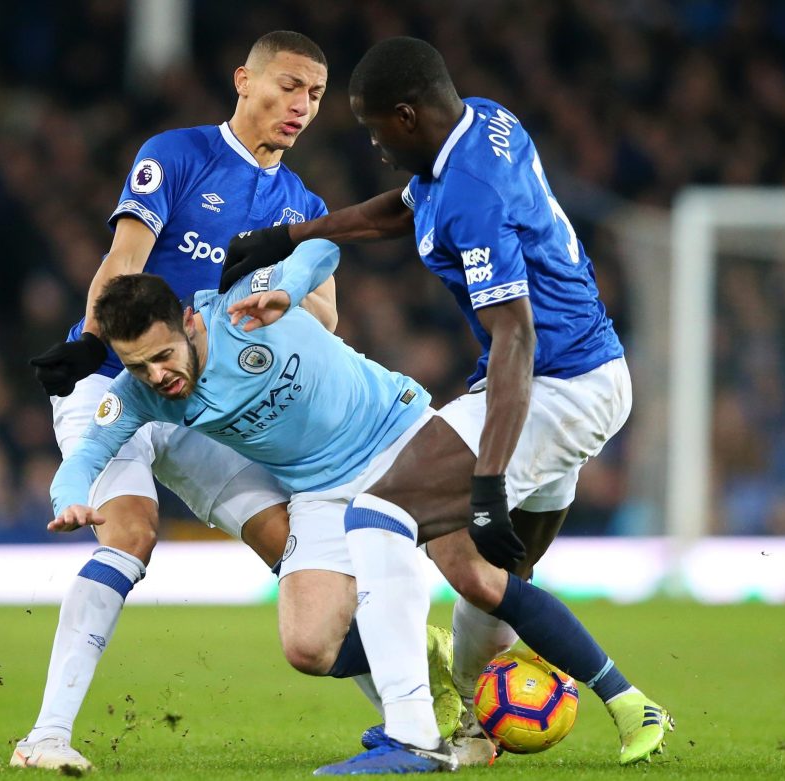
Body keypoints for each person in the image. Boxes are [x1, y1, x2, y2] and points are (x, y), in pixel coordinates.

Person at [220, 36, 673, 772]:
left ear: (407, 115)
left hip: (549, 383)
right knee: (482, 574)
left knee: (379, 514)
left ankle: (412, 735)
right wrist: (289, 233)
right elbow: (398, 211)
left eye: (374, 129)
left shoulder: (473, 195)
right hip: (588, 371)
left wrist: (489, 477)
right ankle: (581, 710)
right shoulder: (481, 122)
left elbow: (517, 336)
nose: (374, 144)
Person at [54, 241, 669, 775]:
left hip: (399, 436)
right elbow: (87, 455)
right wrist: (70, 498)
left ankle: (626, 699)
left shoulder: (242, 309)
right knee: (309, 647)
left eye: (163, 356)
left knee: (474, 578)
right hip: (321, 489)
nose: (157, 376)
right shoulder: (139, 394)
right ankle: (428, 663)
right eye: (139, 365)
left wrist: (288, 287)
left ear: (188, 321)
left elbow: (323, 252)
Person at [11, 31, 334, 771]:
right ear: (243, 78)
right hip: (117, 379)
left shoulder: (303, 202)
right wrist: (93, 347)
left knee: (295, 547)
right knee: (131, 533)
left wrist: (265, 292)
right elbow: (122, 264)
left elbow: (327, 315)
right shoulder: (177, 155)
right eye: (288, 85)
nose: (300, 106)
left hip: (201, 400)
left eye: (314, 96)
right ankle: (47, 737)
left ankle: (411, 719)